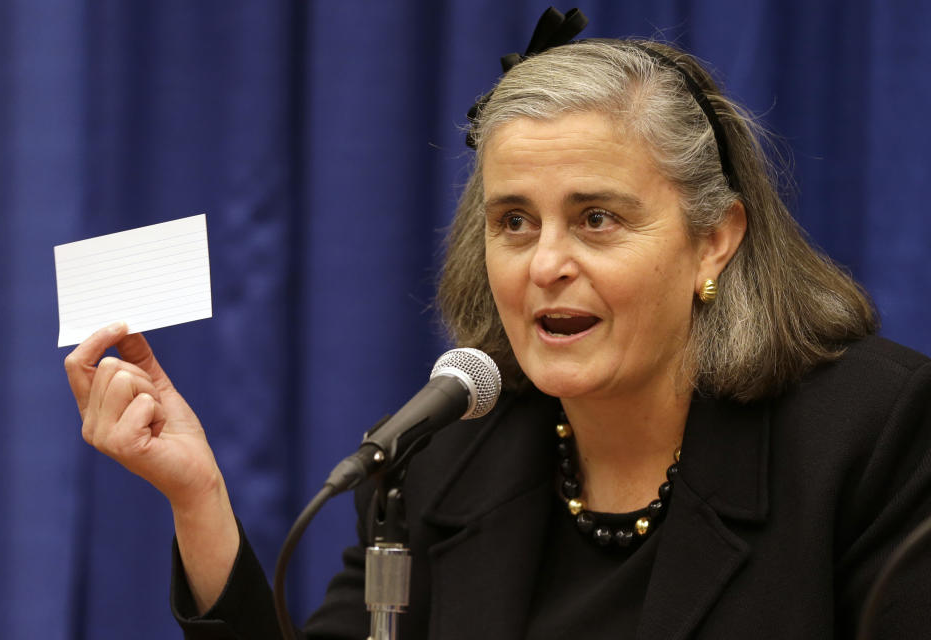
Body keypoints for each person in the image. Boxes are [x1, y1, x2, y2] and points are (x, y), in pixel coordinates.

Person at [65, 8, 931, 639]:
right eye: (514, 221)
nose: (544, 262)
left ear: (715, 242)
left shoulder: (871, 434)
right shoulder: (439, 459)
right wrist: (198, 496)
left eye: (597, 218)